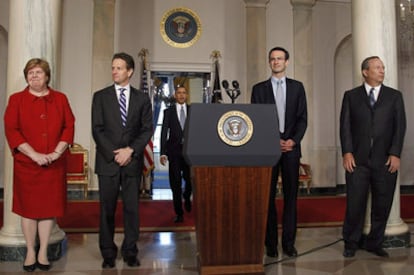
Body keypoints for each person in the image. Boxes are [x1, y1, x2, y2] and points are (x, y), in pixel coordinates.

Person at [4, 58, 75, 272]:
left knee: (47, 210)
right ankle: (30, 252)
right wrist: (34, 154)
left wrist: (55, 153)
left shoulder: (60, 99)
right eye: (30, 73)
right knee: (29, 210)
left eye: (38, 72)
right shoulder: (16, 99)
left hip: (54, 165)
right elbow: (12, 130)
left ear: (47, 76)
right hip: (28, 164)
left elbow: (69, 126)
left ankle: (43, 251)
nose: (34, 76)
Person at [340, 56, 406, 258]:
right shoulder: (351, 96)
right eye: (377, 67)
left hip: (385, 160)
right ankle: (351, 242)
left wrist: (395, 153)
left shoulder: (394, 96)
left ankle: (375, 243)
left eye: (383, 67)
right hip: (357, 161)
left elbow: (400, 127)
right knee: (355, 204)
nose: (382, 70)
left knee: (382, 204)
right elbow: (345, 127)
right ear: (365, 72)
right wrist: (347, 152)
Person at [91, 52, 153, 268]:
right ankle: (108, 253)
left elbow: (146, 130)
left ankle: (130, 251)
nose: (114, 71)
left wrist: (130, 151)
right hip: (107, 162)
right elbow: (97, 130)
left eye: (119, 68)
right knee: (106, 209)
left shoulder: (142, 99)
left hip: (132, 162)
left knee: (131, 209)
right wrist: (116, 153)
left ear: (130, 71)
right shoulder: (100, 96)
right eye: (113, 67)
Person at [251, 46, 307, 258]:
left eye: (280, 58)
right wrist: (274, 140)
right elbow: (256, 120)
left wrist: (293, 140)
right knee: (268, 199)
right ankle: (271, 244)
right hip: (268, 150)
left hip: (292, 150)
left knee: (291, 198)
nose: (276, 62)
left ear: (287, 62)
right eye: (272, 59)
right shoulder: (259, 89)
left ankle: (289, 243)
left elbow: (303, 118)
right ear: (269, 62)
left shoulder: (298, 87)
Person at [160, 85, 192, 223]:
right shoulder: (169, 112)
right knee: (176, 183)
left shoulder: (193, 110)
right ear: (175, 95)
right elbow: (163, 133)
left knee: (190, 181)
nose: (181, 95)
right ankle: (179, 212)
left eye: (184, 93)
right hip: (173, 152)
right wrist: (162, 152)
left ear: (187, 95)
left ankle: (187, 195)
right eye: (179, 93)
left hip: (190, 153)